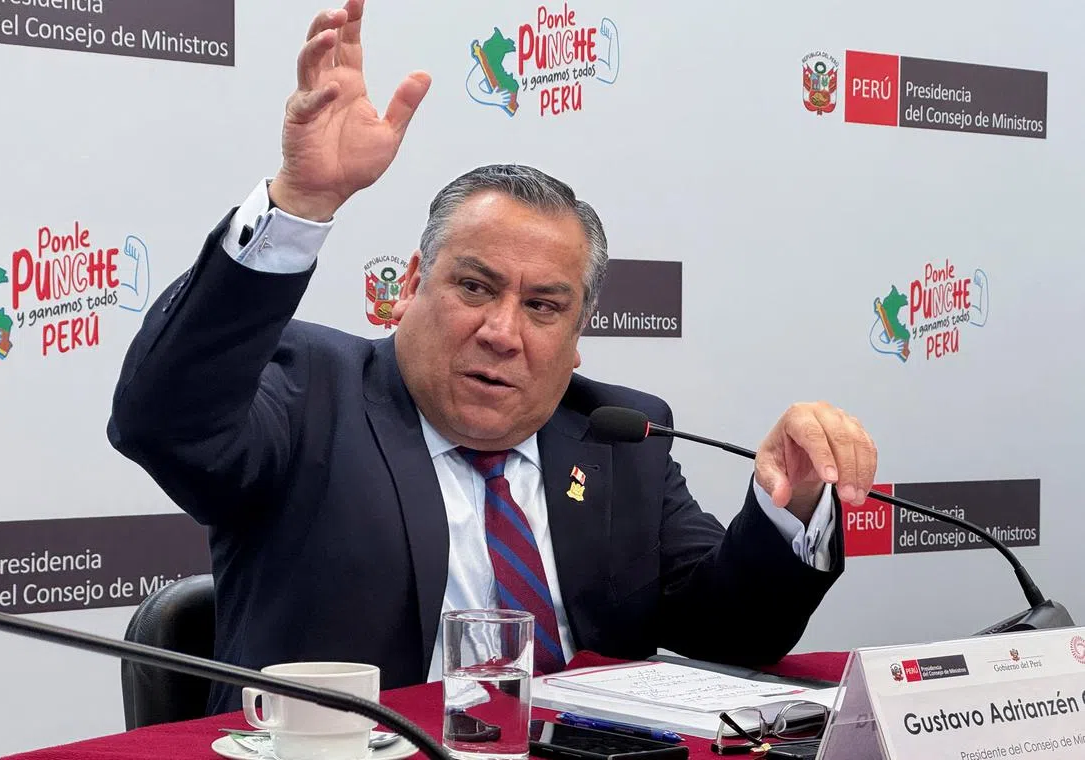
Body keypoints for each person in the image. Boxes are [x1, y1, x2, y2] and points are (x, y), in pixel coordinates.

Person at [106, 1, 878, 715]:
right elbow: (164, 421)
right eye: (474, 286)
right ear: (410, 285)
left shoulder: (620, 437)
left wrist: (794, 507)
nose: (503, 332)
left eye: (543, 306)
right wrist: (300, 203)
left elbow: (731, 631)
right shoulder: (310, 391)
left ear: (577, 335)